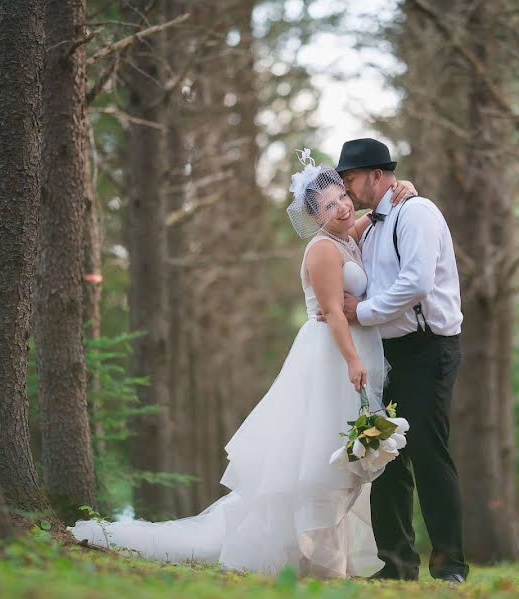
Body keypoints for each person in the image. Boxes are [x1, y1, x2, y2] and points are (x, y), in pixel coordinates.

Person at [69, 153, 415, 579]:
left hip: (345, 357)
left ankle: (324, 554)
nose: (343, 206)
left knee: (338, 457)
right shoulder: (324, 250)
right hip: (330, 359)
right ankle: (306, 556)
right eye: (329, 205)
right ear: (315, 217)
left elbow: (372, 219)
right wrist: (352, 360)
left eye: (343, 196)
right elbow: (334, 312)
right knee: (318, 460)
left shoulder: (348, 236)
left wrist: (404, 192)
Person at [335, 138, 468, 583]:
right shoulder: (372, 225)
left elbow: (415, 283)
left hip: (428, 350)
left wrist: (362, 311)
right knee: (383, 458)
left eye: (351, 179)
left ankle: (451, 569)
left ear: (377, 175)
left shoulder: (418, 214)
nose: (348, 190)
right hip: (384, 353)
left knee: (430, 455)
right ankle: (395, 566)